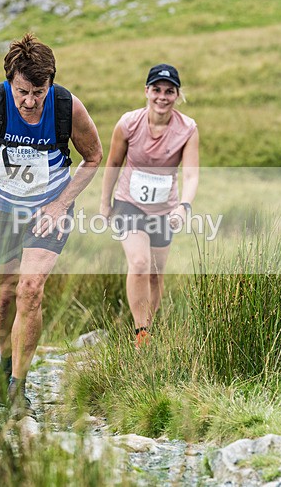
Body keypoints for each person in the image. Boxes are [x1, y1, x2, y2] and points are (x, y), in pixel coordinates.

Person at [0, 33, 103, 420]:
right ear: (9, 81)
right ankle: (4, 362)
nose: (30, 101)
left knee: (30, 289)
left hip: (47, 212)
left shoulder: (67, 106)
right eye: (22, 91)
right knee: (3, 297)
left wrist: (62, 202)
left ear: (50, 83)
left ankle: (18, 386)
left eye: (39, 91)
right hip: (0, 209)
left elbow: (94, 157)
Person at [100, 64, 199, 349]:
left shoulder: (187, 129)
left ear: (177, 95)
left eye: (169, 91)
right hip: (129, 204)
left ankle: (149, 331)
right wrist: (105, 203)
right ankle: (140, 332)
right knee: (140, 264)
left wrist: (183, 207)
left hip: (165, 210)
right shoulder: (128, 123)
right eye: (156, 90)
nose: (162, 97)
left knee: (156, 272)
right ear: (146, 91)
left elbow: (192, 174)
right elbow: (113, 163)